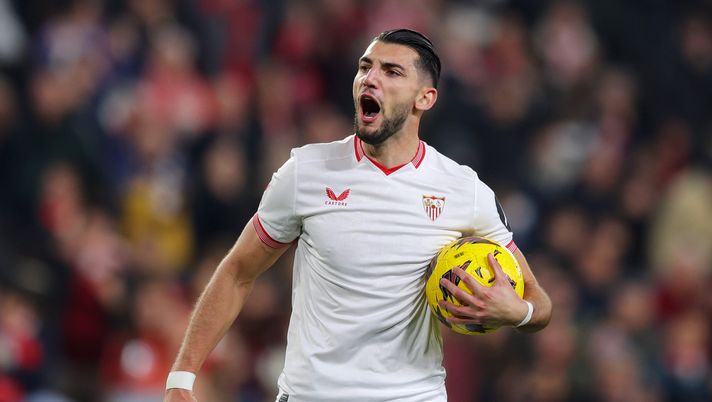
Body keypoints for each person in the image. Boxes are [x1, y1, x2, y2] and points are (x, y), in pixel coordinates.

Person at [164, 28, 552, 402]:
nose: (370, 78)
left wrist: (517, 312)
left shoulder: (463, 190)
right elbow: (237, 271)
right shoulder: (306, 172)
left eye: (391, 71)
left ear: (425, 98)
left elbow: (540, 303)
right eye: (366, 66)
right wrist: (182, 376)